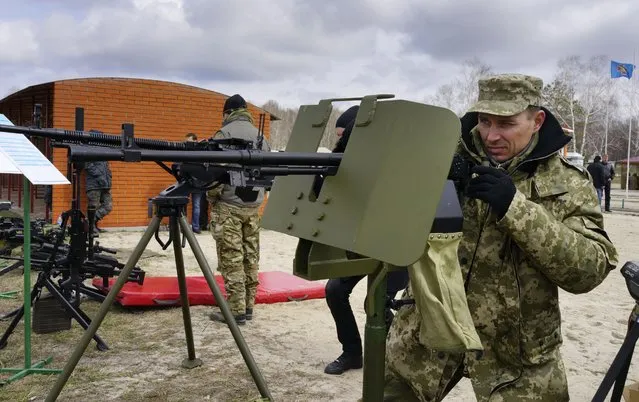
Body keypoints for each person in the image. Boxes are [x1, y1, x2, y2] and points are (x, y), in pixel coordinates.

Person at [384, 74, 618, 401]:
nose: (491, 135)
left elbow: (590, 270)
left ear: (537, 121)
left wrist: (516, 208)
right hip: (426, 334)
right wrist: (428, 185)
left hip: (517, 353)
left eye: (506, 124)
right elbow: (388, 224)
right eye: (484, 121)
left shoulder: (568, 183)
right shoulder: (442, 157)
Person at [322, 108, 409, 375]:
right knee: (335, 290)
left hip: (397, 245)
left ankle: (400, 356)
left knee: (378, 303)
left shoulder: (393, 159)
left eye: (344, 137)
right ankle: (352, 353)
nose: (341, 144)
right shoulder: (349, 164)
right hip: (365, 243)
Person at [207, 94, 270, 325]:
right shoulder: (261, 136)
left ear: (227, 113)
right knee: (250, 257)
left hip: (229, 207)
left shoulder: (223, 134)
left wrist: (212, 198)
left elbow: (216, 174)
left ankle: (235, 311)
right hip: (253, 207)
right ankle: (249, 306)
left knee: (231, 258)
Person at [84, 158, 113, 236]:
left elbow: (106, 169)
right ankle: (91, 227)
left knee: (108, 206)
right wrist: (100, 176)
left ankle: (90, 222)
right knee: (94, 207)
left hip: (105, 185)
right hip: (94, 186)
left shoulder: (104, 155)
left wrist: (109, 178)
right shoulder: (91, 151)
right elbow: (88, 165)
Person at [185, 132, 204, 233]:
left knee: (196, 206)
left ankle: (195, 227)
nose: (187, 144)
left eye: (189, 142)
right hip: (188, 182)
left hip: (196, 183)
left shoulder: (200, 152)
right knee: (185, 204)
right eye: (186, 142)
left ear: (195, 140)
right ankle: (186, 227)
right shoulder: (201, 151)